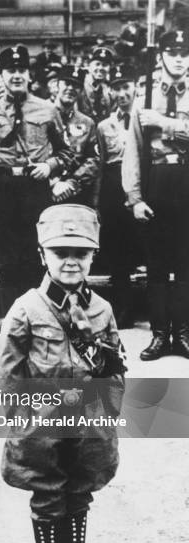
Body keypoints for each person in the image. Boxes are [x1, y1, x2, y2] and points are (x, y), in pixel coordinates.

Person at [0, 204, 125, 543]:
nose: (71, 261)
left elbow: (115, 369)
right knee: (48, 498)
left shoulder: (102, 310)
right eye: (60, 252)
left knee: (80, 495)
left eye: (81, 253)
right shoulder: (26, 309)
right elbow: (9, 376)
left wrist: (106, 413)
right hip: (43, 425)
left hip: (88, 423)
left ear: (93, 256)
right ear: (42, 256)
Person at [0, 44, 75, 356]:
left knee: (35, 261)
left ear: (29, 74)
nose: (16, 75)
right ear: (0, 75)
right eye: (10, 70)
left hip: (34, 189)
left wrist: (50, 166)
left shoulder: (46, 109)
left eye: (21, 70)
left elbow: (66, 152)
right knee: (6, 263)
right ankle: (11, 337)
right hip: (2, 188)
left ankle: (39, 333)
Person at [122, 29, 189, 360]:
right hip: (157, 181)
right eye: (172, 51)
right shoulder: (144, 93)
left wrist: (164, 123)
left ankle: (185, 333)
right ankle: (161, 335)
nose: (179, 57)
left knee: (186, 263)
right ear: (161, 55)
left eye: (184, 51)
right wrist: (135, 198)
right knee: (158, 266)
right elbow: (132, 149)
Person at [97, 64, 139, 328]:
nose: (122, 93)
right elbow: (100, 165)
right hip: (114, 191)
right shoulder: (105, 126)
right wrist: (97, 202)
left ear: (135, 87)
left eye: (126, 87)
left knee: (147, 249)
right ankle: (124, 308)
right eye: (117, 88)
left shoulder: (146, 118)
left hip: (142, 188)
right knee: (118, 252)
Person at [52, 65, 99, 207]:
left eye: (76, 85)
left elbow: (94, 158)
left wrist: (73, 182)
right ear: (57, 85)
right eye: (67, 83)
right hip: (45, 188)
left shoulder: (87, 122)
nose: (71, 88)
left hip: (76, 192)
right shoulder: (41, 116)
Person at [77, 47, 114, 125]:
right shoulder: (80, 85)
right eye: (97, 64)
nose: (100, 68)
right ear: (89, 66)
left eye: (105, 65)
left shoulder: (109, 89)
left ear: (109, 68)